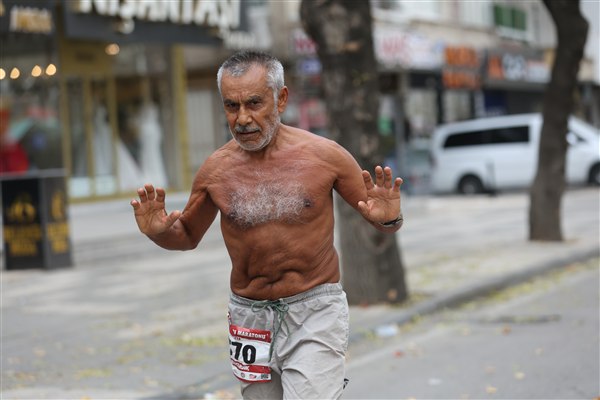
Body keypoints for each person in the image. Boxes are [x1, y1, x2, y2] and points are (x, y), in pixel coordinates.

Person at [131, 50, 404, 399]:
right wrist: (158, 232)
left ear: (281, 99)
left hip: (314, 310)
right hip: (249, 318)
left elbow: (383, 222)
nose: (242, 118)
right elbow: (186, 236)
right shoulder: (216, 170)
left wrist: (389, 218)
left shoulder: (326, 156)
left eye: (254, 103)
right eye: (231, 106)